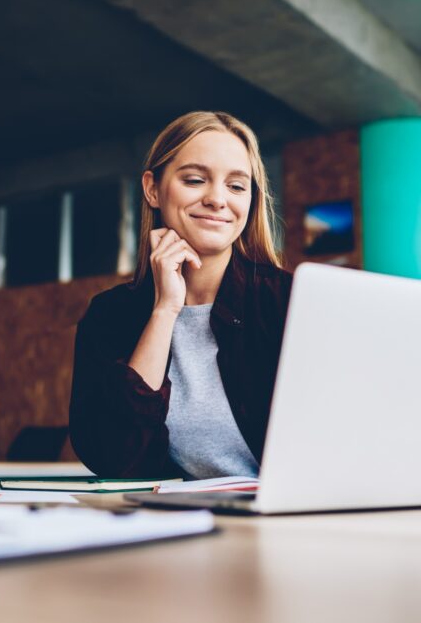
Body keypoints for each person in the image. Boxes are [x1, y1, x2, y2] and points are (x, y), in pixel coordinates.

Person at [69, 111, 292, 479]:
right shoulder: (111, 315)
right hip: (179, 523)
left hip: (292, 523)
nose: (218, 199)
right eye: (194, 180)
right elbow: (114, 458)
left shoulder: (287, 302)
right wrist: (165, 310)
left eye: (237, 186)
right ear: (153, 189)